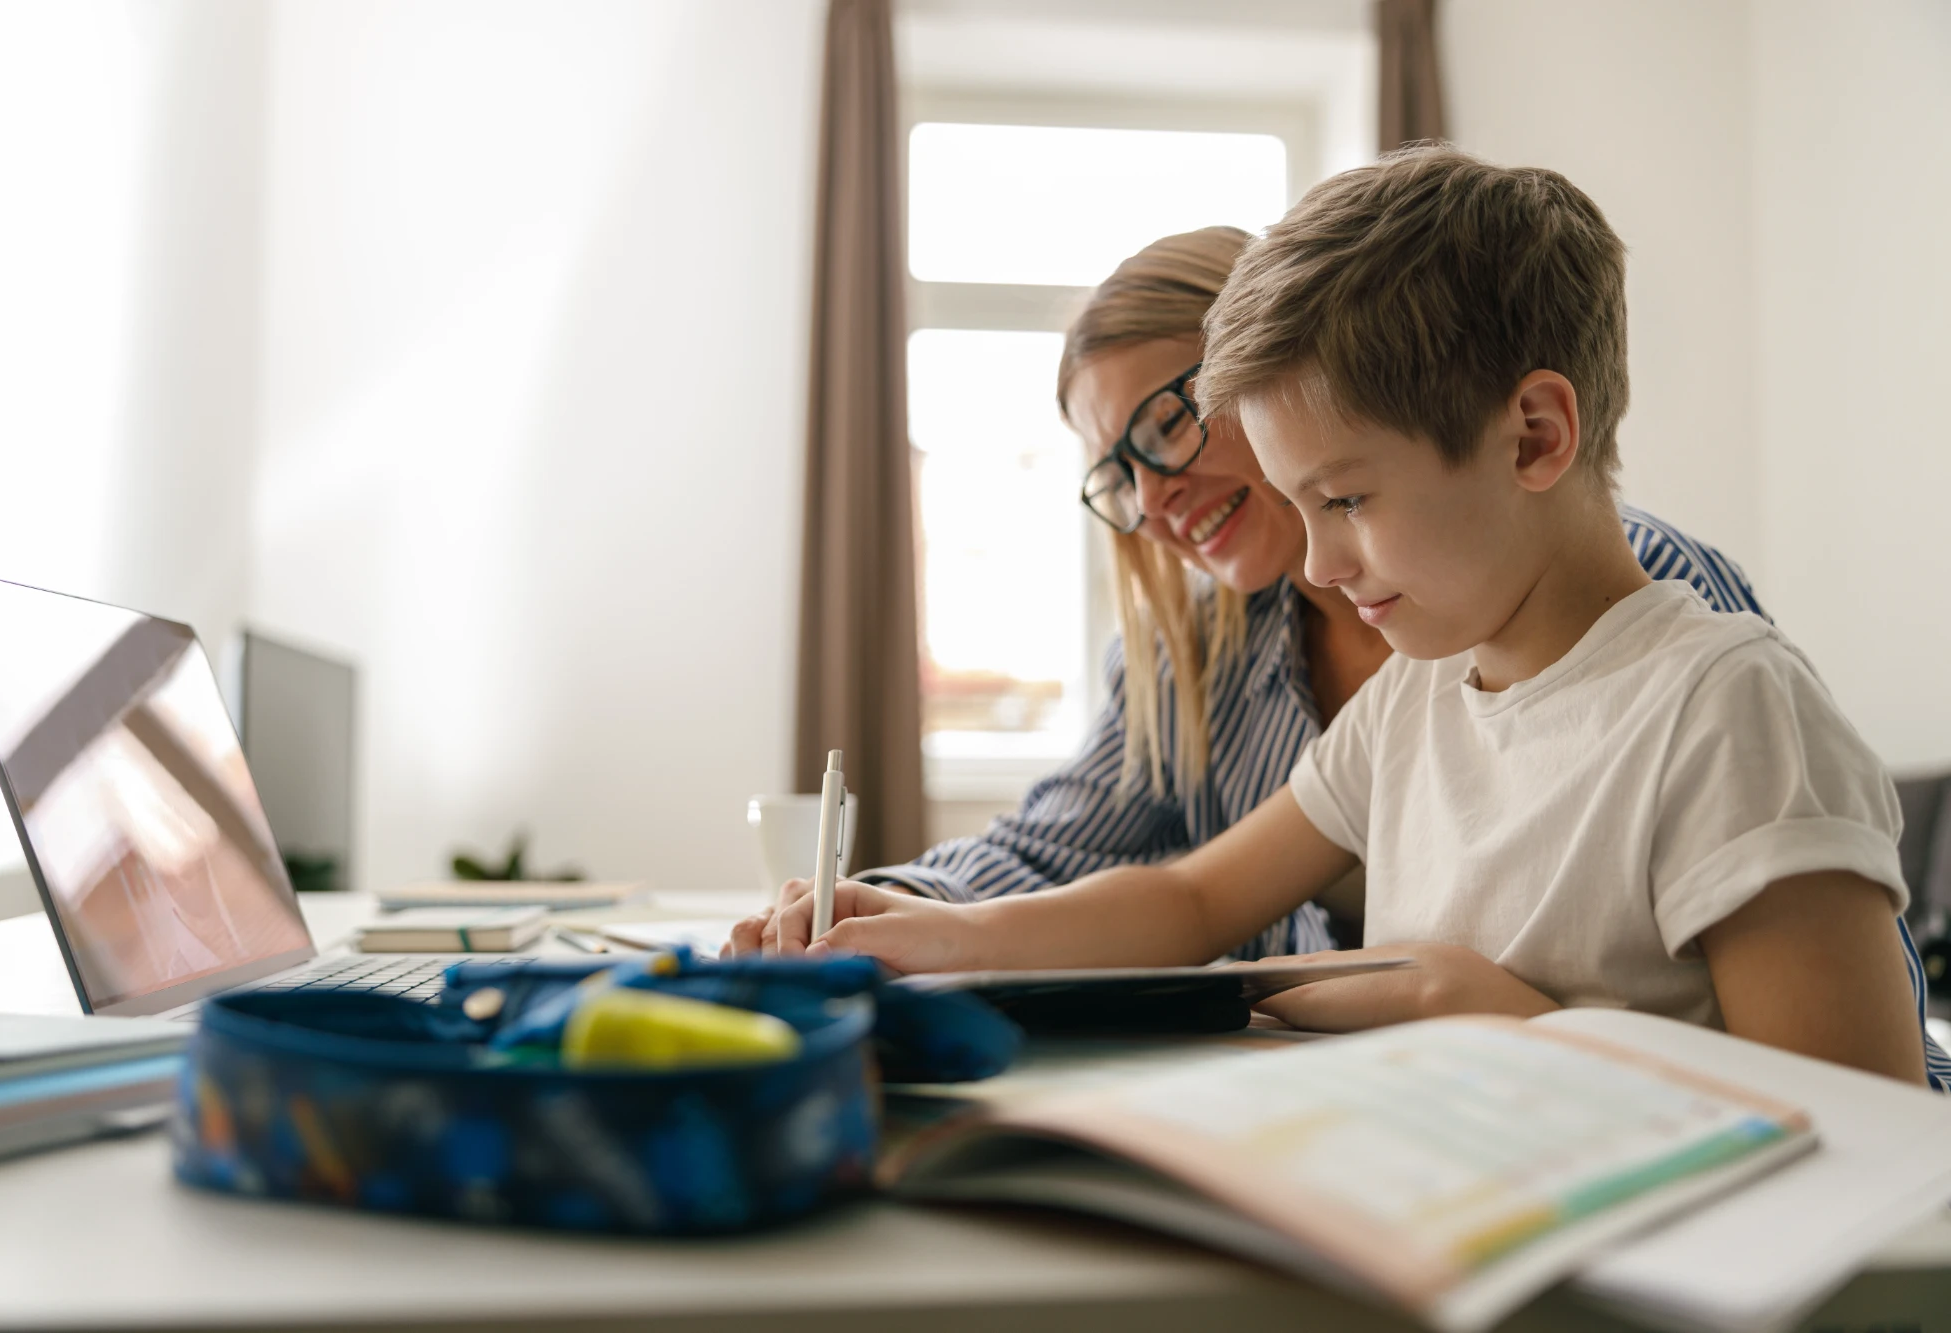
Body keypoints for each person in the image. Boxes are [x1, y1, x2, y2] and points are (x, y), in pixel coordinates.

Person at [749, 146, 1950, 1088]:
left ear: (1534, 435)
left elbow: (1863, 1131)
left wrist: (1491, 1014)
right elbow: (1189, 900)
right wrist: (925, 934)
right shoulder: (1421, 693)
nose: (1315, 562)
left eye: (1343, 498)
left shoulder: (1722, 704)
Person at [733, 226, 1763, 962]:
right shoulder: (1237, 663)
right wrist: (906, 912)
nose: (1152, 501)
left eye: (1165, 428)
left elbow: (1839, 1046)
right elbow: (1140, 882)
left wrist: (1460, 1007)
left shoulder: (1658, 629)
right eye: (1115, 475)